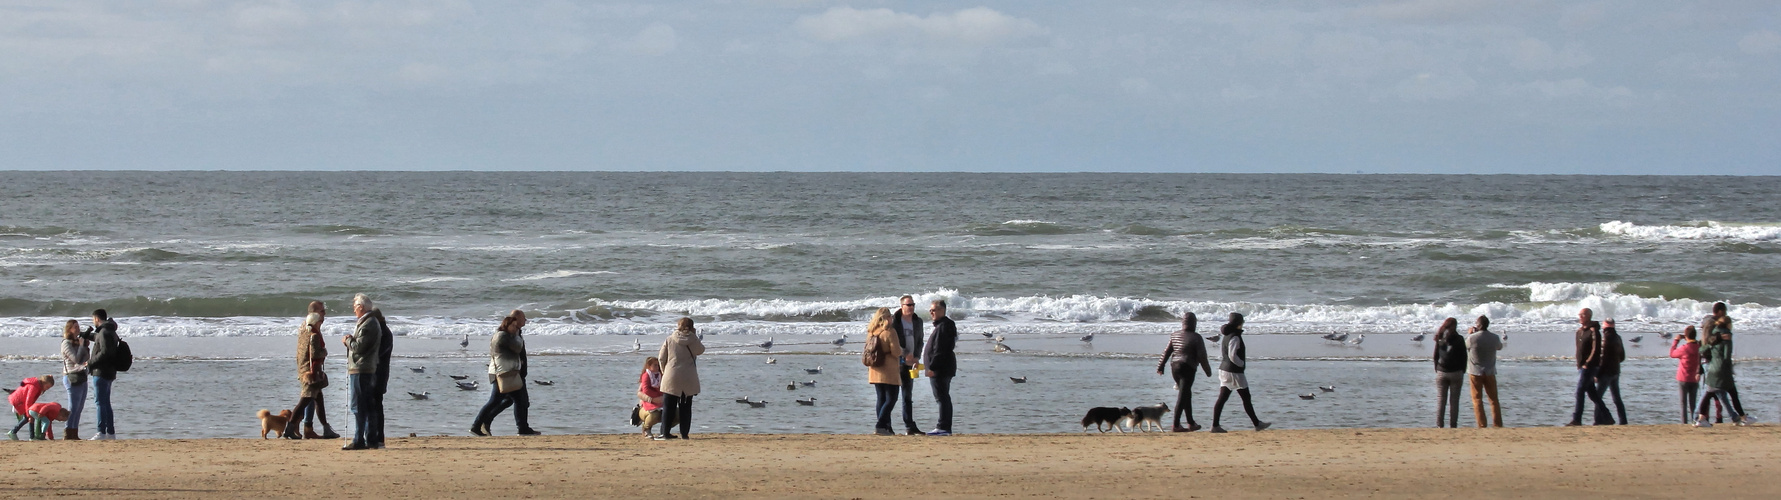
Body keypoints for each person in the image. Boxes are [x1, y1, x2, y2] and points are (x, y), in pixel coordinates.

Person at [472, 310, 538, 436]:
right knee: (501, 401)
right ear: (514, 320)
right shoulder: (504, 336)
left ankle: (521, 428)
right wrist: (517, 334)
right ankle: (477, 425)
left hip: (511, 372)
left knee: (514, 401)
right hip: (504, 373)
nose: (526, 320)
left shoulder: (510, 334)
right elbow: (518, 348)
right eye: (523, 318)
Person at [284, 302, 340, 440]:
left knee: (318, 399)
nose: (324, 314)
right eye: (322, 311)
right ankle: (290, 428)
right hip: (310, 371)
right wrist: (323, 355)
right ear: (314, 313)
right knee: (305, 400)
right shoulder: (313, 332)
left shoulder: (304, 327)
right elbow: (314, 355)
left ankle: (325, 428)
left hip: (304, 367)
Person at [1210, 313, 1269, 433]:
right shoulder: (1235, 337)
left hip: (1224, 370)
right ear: (1239, 324)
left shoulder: (1226, 335)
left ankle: (1215, 425)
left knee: (1222, 398)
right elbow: (1232, 355)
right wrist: (1241, 364)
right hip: (1234, 372)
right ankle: (1257, 424)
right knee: (1246, 398)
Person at [1156, 313, 1211, 432]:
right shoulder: (1196, 337)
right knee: (1183, 395)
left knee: (1186, 393)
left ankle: (1191, 423)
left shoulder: (1174, 335)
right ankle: (1176, 425)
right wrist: (1208, 371)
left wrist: (1161, 366)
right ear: (1194, 323)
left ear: (1183, 323)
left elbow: (1166, 352)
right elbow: (1202, 356)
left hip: (1175, 367)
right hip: (1188, 367)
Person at [341, 294, 383, 450]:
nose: (353, 310)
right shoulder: (370, 322)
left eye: (355, 307)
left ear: (361, 307)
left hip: (361, 368)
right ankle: (370, 439)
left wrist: (347, 340)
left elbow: (359, 347)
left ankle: (360, 439)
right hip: (365, 367)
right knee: (367, 404)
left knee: (359, 405)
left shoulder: (368, 323)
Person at [656, 317, 705, 440]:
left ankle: (665, 433)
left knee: (668, 407)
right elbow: (701, 350)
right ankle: (684, 434)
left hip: (671, 375)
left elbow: (661, 358)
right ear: (692, 327)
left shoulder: (669, 339)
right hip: (689, 376)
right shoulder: (693, 340)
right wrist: (694, 336)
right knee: (686, 407)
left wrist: (664, 371)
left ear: (678, 326)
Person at [1703, 302, 1748, 423]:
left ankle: (1731, 416)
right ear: (1720, 311)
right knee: (1711, 392)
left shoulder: (1711, 323)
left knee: (1717, 393)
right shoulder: (1715, 326)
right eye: (1725, 311)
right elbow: (1708, 343)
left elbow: (1705, 344)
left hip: (1713, 362)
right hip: (1714, 363)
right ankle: (1700, 417)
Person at [1565, 308, 1611, 426]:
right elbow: (1578, 349)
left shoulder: (1593, 331)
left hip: (1590, 367)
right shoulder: (1579, 331)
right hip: (1582, 367)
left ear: (1588, 316)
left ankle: (1577, 419)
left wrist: (1587, 363)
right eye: (1579, 314)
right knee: (1593, 394)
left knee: (1579, 391)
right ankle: (1607, 416)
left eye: (1583, 315)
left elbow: (1596, 349)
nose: (1580, 316)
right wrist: (1579, 364)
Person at [920, 300, 959, 436]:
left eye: (934, 310)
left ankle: (943, 427)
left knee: (942, 397)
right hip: (942, 367)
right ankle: (944, 426)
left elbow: (940, 350)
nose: (931, 312)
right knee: (942, 397)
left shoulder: (944, 326)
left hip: (941, 368)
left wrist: (932, 367)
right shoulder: (942, 325)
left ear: (942, 310)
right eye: (930, 310)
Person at [864, 308, 904, 436]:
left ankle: (886, 427)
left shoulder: (871, 331)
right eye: (890, 316)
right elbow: (896, 352)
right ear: (886, 318)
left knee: (881, 397)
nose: (892, 318)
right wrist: (902, 351)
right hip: (888, 368)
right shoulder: (890, 332)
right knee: (892, 398)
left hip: (875, 367)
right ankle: (881, 424)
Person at [82, 309, 120, 440]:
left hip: (101, 371)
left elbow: (105, 352)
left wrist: (90, 362)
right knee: (105, 402)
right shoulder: (109, 330)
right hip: (109, 371)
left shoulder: (104, 332)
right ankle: (110, 433)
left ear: (97, 319)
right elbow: (96, 338)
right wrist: (82, 334)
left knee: (100, 403)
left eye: (93, 319)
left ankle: (101, 432)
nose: (93, 321)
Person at [890, 295, 925, 435]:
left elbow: (920, 341)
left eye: (912, 305)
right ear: (902, 306)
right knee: (891, 396)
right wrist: (904, 354)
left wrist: (916, 356)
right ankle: (885, 424)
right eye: (908, 305)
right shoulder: (894, 322)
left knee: (907, 396)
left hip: (911, 364)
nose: (911, 307)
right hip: (896, 362)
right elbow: (892, 341)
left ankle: (909, 426)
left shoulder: (918, 321)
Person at [1695, 319, 1739, 428]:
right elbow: (1722, 356)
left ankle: (1732, 416)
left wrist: (1698, 370)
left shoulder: (1706, 339)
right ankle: (1698, 417)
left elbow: (1700, 353)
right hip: (1713, 367)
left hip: (1708, 366)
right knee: (1714, 393)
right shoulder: (1715, 339)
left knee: (1714, 393)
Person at [1464, 316, 1505, 428]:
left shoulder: (1472, 338)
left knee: (1477, 400)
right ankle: (1497, 424)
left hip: (1475, 371)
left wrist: (1470, 333)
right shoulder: (1494, 337)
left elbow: (1465, 346)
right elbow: (1499, 347)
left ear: (1477, 325)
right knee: (1493, 400)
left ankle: (1482, 425)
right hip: (1490, 371)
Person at [1432, 318, 1467, 428]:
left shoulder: (1439, 337)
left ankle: (1440, 425)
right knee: (1454, 401)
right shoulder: (1459, 339)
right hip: (1456, 372)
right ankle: (1453, 425)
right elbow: (1464, 356)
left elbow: (1435, 355)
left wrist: (1436, 367)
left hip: (1441, 371)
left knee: (1441, 400)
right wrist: (1463, 369)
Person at [59, 320, 89, 440]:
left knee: (80, 407)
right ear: (69, 329)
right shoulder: (66, 343)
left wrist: (85, 346)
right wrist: (81, 346)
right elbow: (76, 359)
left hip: (82, 375)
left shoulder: (78, 342)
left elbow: (86, 358)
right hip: (71, 376)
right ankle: (68, 432)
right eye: (75, 327)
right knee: (73, 407)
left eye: (78, 327)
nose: (77, 329)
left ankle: (74, 432)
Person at [1595, 319, 1628, 425]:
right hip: (1615, 371)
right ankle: (1623, 421)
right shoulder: (1618, 338)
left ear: (1604, 327)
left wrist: (1597, 373)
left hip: (1606, 373)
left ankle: (1598, 420)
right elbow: (1622, 357)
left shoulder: (1605, 339)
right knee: (1617, 398)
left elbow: (1602, 358)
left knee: (1597, 397)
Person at [1670, 326, 1702, 424]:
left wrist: (1676, 341)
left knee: (1683, 403)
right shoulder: (1699, 347)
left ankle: (1684, 423)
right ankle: (1694, 421)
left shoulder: (1684, 348)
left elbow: (1672, 353)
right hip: (1694, 378)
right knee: (1693, 403)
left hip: (1683, 378)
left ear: (1686, 336)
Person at [7, 375, 54, 440]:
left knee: (30, 417)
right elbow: (28, 401)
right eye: (47, 387)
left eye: (49, 388)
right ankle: (13, 432)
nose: (47, 389)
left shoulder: (38, 386)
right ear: (43, 382)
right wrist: (28, 413)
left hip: (21, 401)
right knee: (28, 417)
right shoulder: (34, 387)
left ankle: (31, 437)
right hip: (19, 402)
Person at [637, 357, 664, 438]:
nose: (657, 367)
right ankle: (646, 429)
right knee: (654, 415)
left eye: (658, 365)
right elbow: (645, 390)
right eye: (655, 365)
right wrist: (655, 398)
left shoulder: (660, 375)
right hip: (648, 403)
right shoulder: (646, 376)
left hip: (660, 402)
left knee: (675, 414)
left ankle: (664, 432)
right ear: (649, 366)